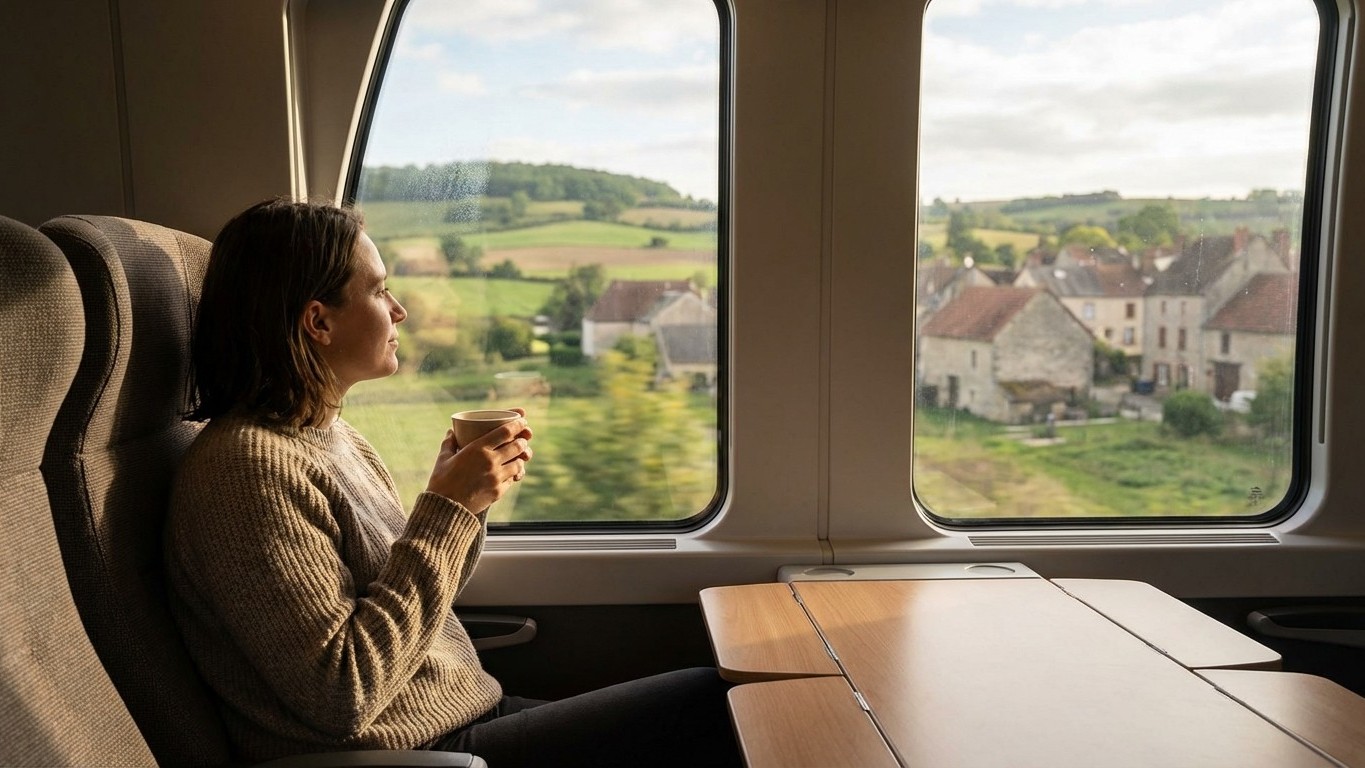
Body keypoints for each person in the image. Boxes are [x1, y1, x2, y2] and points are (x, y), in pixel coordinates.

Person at [164, 198, 740, 767]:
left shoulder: (333, 436)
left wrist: (468, 503)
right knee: (715, 706)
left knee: (726, 700)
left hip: (461, 720)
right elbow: (340, 695)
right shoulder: (245, 472)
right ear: (319, 321)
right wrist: (446, 508)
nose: (399, 310)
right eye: (378, 290)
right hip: (406, 755)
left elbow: (418, 600)